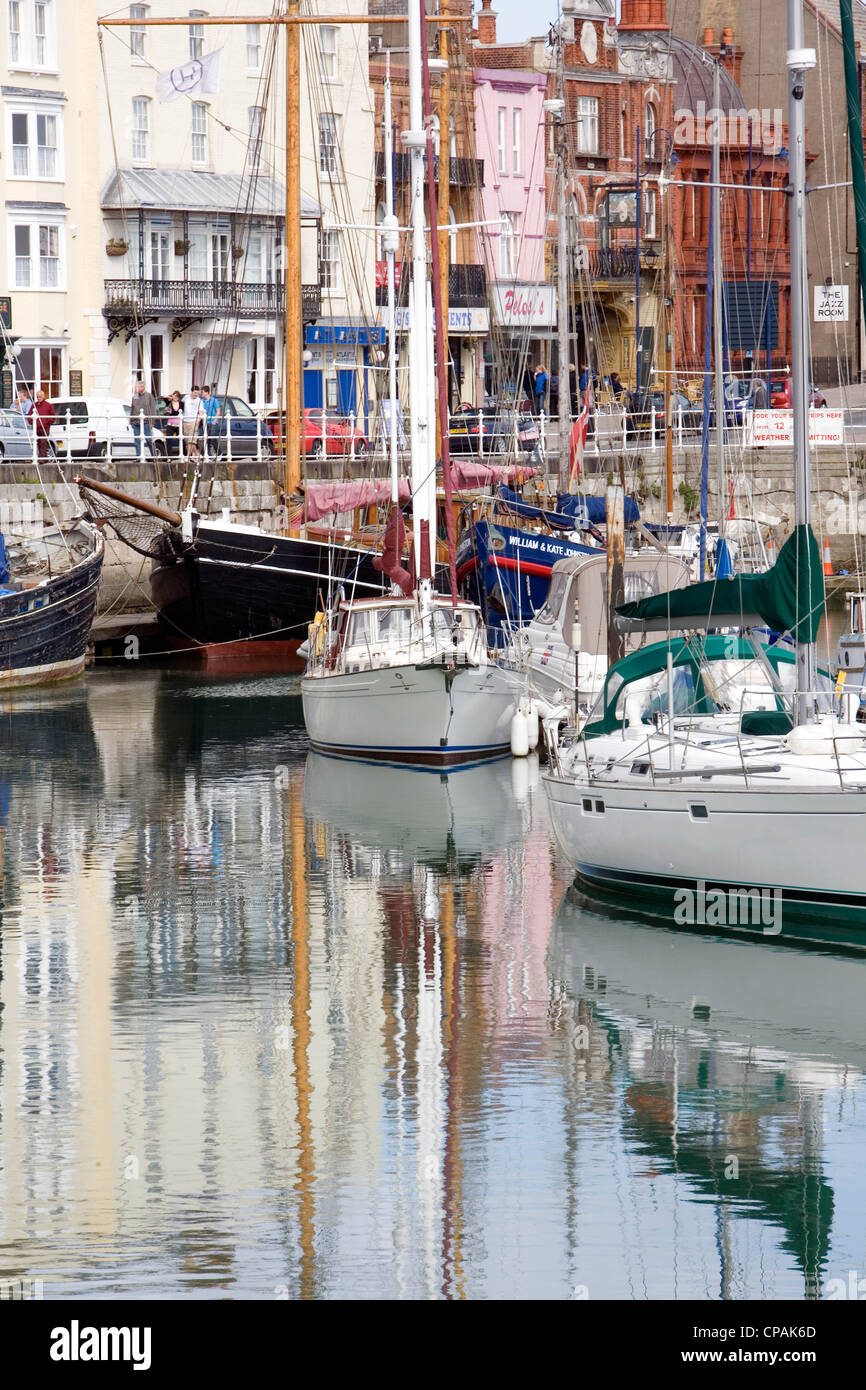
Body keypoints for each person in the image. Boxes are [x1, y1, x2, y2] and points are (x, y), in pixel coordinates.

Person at [129, 379, 156, 455]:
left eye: (138, 387)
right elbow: (132, 408)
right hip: (136, 422)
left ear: (143, 387)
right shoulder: (135, 396)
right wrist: (131, 421)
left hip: (146, 421)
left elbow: (153, 409)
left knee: (149, 439)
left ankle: (154, 456)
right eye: (137, 387)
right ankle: (139, 456)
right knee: (137, 440)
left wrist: (152, 422)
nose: (137, 388)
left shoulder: (149, 396)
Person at [32, 389, 55, 460]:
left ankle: (42, 458)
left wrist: (47, 423)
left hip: (45, 427)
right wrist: (32, 422)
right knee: (38, 442)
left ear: (43, 396)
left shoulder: (48, 405)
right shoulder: (34, 405)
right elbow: (30, 415)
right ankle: (43, 457)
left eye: (40, 397)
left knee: (43, 442)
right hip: (36, 427)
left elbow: (53, 416)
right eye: (37, 397)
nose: (38, 398)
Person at [199, 385, 222, 458]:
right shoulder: (202, 401)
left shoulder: (214, 400)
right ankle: (208, 455)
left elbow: (218, 411)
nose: (201, 393)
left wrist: (215, 420)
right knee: (206, 439)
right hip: (205, 422)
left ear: (207, 392)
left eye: (202, 392)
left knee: (212, 438)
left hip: (212, 422)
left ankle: (219, 452)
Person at [182, 387, 204, 460]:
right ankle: (197, 455)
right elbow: (180, 405)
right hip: (185, 421)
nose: (196, 394)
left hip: (193, 421)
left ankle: (188, 456)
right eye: (195, 393)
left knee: (191, 441)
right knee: (187, 440)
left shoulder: (199, 401)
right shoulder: (186, 398)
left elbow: (201, 412)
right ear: (191, 392)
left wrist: (198, 421)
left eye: (197, 393)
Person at [165, 390, 183, 456]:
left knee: (181, 439)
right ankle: (169, 456)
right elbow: (164, 398)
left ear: (179, 397)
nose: (175, 397)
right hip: (170, 424)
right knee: (169, 440)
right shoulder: (169, 403)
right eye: (174, 396)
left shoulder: (181, 404)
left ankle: (183, 454)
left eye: (176, 396)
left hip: (178, 425)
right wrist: (170, 398)